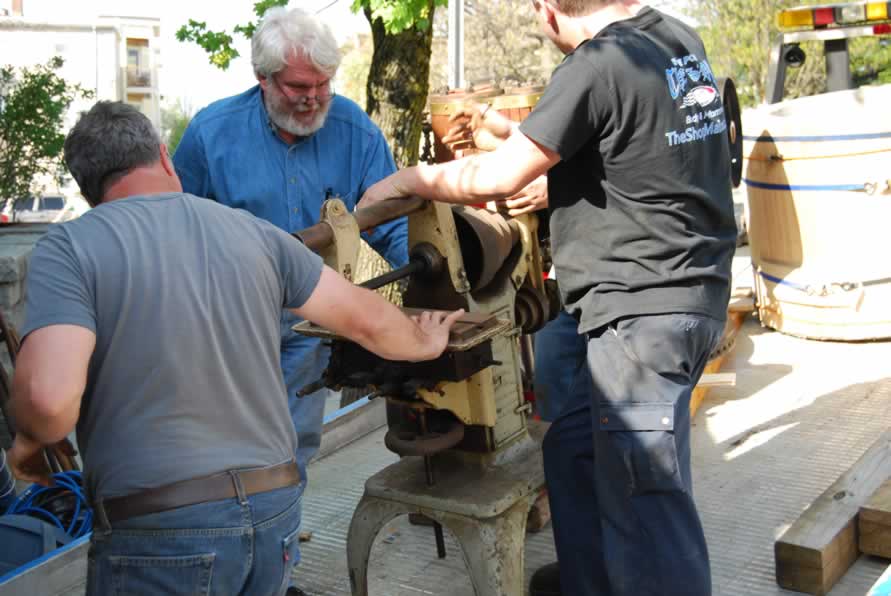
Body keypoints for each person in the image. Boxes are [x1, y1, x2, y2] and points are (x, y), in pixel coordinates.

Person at [6, 101, 462, 596]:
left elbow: (51, 404)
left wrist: (27, 446)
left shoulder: (69, 247)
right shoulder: (254, 232)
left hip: (160, 527)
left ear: (87, 188)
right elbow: (367, 319)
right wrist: (426, 341)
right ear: (163, 158)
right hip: (275, 513)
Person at [359, 1, 738, 594]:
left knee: (649, 509)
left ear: (550, 9)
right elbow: (632, 147)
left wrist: (410, 180)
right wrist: (530, 150)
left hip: (642, 317)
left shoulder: (596, 62)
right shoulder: (670, 39)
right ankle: (591, 579)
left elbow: (498, 179)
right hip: (691, 294)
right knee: (572, 450)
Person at [172, 6, 407, 524]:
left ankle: (276, 560)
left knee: (294, 445)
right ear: (263, 78)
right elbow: (170, 229)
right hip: (230, 319)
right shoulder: (211, 135)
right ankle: (232, 543)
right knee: (228, 445)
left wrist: (418, 293)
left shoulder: (355, 130)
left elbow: (393, 222)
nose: (314, 98)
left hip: (314, 317)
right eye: (300, 86)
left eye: (323, 84)